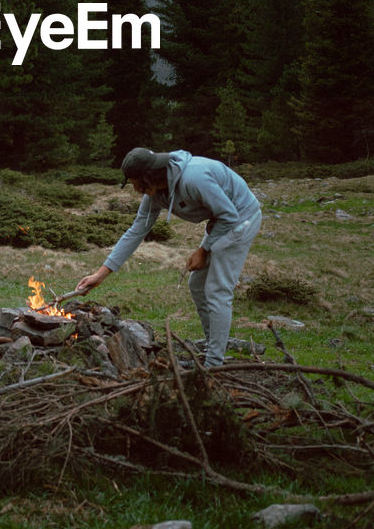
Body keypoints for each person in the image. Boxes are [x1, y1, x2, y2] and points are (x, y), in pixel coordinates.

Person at [75, 147, 262, 369]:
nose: (135, 189)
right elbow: (136, 231)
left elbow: (229, 216)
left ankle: (214, 364)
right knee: (198, 285)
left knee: (217, 290)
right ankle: (214, 350)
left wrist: (203, 250)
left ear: (148, 176)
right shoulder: (155, 194)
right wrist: (101, 274)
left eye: (135, 182)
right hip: (220, 223)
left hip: (241, 219)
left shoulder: (194, 178)